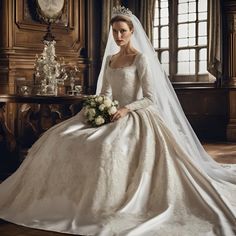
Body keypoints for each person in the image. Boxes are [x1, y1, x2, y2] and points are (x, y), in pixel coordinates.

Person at [0, 6, 235, 236]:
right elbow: (105, 94)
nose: (118, 36)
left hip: (136, 115)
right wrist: (98, 108)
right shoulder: (111, 59)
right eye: (115, 31)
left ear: (132, 31)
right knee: (59, 136)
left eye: (123, 31)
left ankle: (99, 205)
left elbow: (150, 98)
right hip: (110, 112)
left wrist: (126, 109)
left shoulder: (140, 59)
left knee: (106, 146)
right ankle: (52, 200)